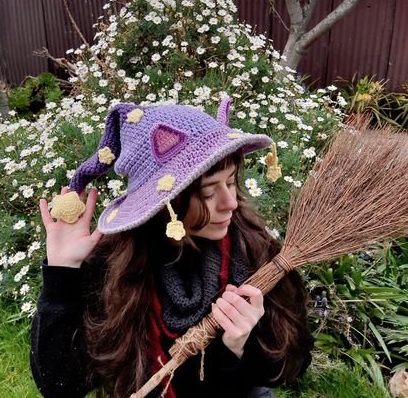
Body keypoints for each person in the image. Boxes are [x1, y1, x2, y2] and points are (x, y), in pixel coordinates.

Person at [30, 99, 314, 398]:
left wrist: (237, 347)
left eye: (230, 182)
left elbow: (293, 364)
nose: (230, 202)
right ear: (164, 203)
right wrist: (62, 274)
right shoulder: (115, 267)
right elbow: (59, 385)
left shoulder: (253, 250)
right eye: (207, 191)